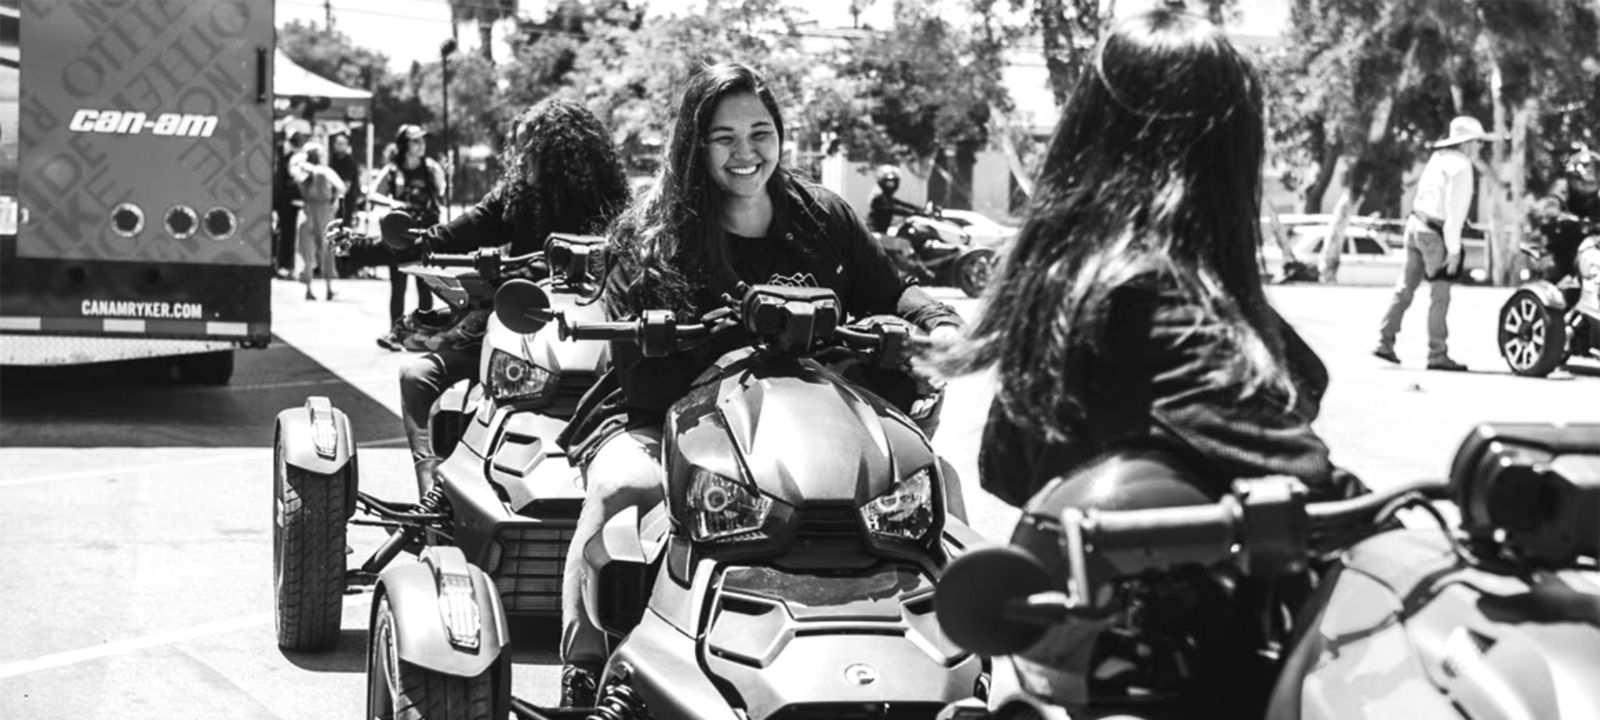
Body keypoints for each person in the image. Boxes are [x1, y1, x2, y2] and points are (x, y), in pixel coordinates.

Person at [554, 62, 964, 706]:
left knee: (935, 480)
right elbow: (641, 375)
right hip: (669, 412)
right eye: (724, 137)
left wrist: (938, 323)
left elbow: (893, 290)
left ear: (779, 134)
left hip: (809, 412)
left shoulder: (823, 216)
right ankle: (583, 667)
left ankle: (967, 656)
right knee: (620, 486)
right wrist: (724, 340)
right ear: (694, 144)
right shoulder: (652, 233)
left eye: (760, 133)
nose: (745, 152)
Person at [933, 7, 1344, 509]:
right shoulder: (1150, 308)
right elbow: (1318, 490)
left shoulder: (1068, 282)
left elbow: (1006, 471)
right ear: (1225, 156)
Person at [344, 99, 632, 495]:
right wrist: (358, 248)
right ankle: (433, 490)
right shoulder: (513, 198)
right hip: (513, 336)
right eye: (518, 148)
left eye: (530, 149)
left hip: (589, 342)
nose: (519, 158)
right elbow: (441, 239)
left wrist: (515, 274)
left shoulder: (615, 206)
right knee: (417, 375)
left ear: (562, 154)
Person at [1373, 115, 1487, 371]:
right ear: (1467, 143)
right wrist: (1454, 250)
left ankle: (1384, 340)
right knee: (1440, 294)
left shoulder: (1438, 159)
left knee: (1405, 288)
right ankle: (1437, 353)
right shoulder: (1462, 167)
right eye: (1478, 142)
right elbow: (1454, 213)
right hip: (1435, 233)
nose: (1480, 147)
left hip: (1416, 224)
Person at [370, 124, 444, 348]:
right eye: (416, 141)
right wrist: (393, 202)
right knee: (398, 285)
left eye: (423, 140)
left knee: (425, 285)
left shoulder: (431, 168)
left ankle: (424, 333)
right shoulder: (392, 170)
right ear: (404, 145)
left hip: (425, 233)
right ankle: (395, 332)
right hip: (401, 235)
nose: (421, 145)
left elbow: (441, 191)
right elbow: (373, 194)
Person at [293, 141, 346, 301]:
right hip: (324, 210)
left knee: (306, 250)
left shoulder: (300, 169)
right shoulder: (324, 170)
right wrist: (334, 201)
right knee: (327, 248)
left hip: (307, 209)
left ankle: (308, 289)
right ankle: (328, 287)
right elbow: (341, 187)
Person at [273, 124, 311, 279]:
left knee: (291, 236)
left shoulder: (294, 158)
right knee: (288, 235)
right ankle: (285, 265)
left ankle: (289, 266)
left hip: (292, 202)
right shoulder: (288, 158)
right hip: (287, 202)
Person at [867, 165, 922, 234]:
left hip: (882, 232)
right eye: (888, 183)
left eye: (893, 183)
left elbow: (902, 204)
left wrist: (919, 209)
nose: (891, 186)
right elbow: (894, 209)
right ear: (882, 183)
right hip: (873, 232)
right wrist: (913, 213)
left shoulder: (889, 198)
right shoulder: (878, 199)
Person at [327, 130, 364, 229]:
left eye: (342, 143)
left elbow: (347, 185)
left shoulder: (349, 162)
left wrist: (336, 203)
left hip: (346, 201)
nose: (339, 146)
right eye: (337, 143)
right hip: (333, 200)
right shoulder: (333, 159)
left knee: (343, 228)